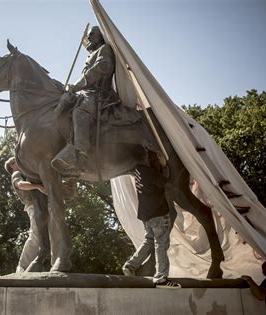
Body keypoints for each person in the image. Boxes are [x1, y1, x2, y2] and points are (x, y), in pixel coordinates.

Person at [57, 25, 117, 175]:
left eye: (92, 35)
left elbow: (99, 70)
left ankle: (81, 160)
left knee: (80, 113)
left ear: (101, 36)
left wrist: (76, 86)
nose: (89, 38)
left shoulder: (105, 49)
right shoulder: (91, 55)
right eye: (89, 35)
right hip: (86, 93)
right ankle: (69, 148)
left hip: (99, 94)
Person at [122, 148, 180, 288]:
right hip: (158, 213)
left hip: (146, 214)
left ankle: (130, 265)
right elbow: (167, 183)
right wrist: (164, 165)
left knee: (149, 240)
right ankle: (161, 278)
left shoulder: (138, 171)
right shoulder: (151, 173)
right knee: (161, 243)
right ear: (146, 157)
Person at [4, 157, 47, 272]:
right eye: (16, 161)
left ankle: (33, 266)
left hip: (38, 206)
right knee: (35, 236)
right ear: (12, 166)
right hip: (33, 207)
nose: (20, 163)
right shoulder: (16, 173)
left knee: (43, 237)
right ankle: (22, 267)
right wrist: (37, 186)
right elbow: (20, 185)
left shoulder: (23, 173)